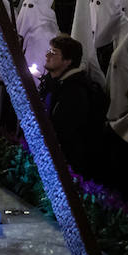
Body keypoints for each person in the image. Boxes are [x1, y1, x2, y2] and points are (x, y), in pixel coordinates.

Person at [38, 35, 108, 179]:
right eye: (49, 51)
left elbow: (65, 132)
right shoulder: (55, 84)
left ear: (68, 61)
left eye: (54, 52)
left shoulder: (75, 92)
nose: (47, 55)